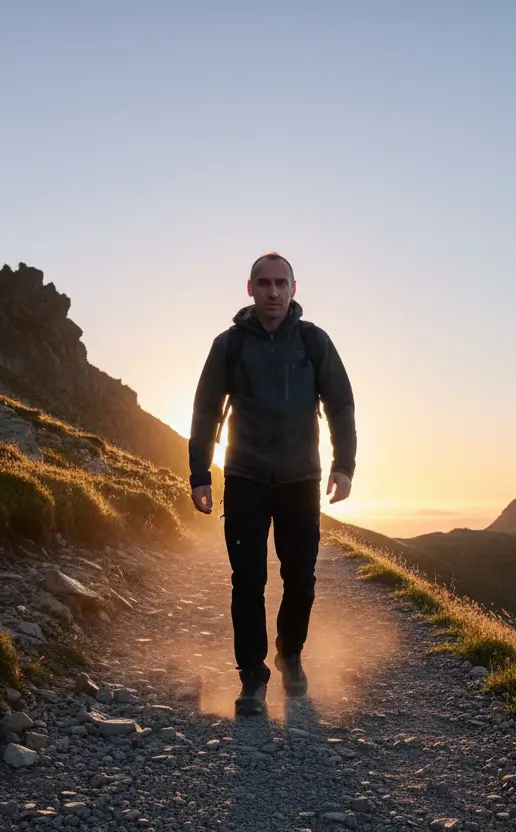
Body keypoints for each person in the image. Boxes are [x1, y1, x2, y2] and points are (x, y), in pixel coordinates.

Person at [188, 252, 357, 716]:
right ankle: (253, 677)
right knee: (248, 580)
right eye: (263, 283)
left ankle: (290, 653)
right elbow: (205, 411)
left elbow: (340, 404)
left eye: (281, 283)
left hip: (301, 480)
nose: (273, 292)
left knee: (300, 579)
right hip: (244, 476)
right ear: (249, 289)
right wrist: (200, 474)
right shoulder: (229, 345)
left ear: (294, 288)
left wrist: (345, 465)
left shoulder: (314, 342)